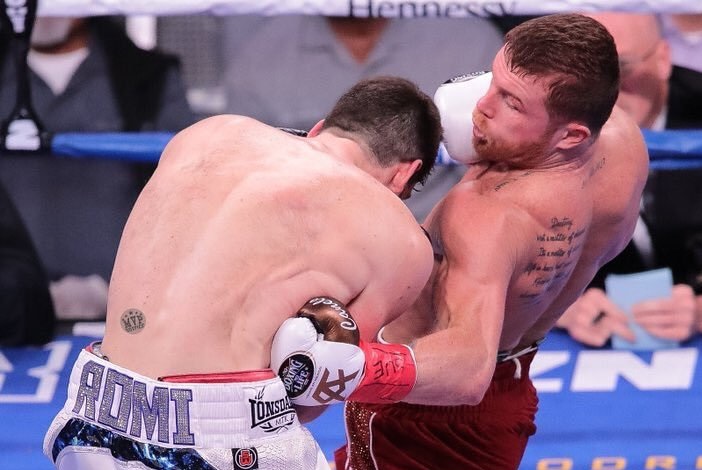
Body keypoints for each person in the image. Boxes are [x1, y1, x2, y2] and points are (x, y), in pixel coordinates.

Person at [271, 13, 648, 469]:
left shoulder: (487, 210)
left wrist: (352, 369)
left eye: (511, 101)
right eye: (493, 80)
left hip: (424, 409)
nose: (481, 106)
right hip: (510, 388)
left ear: (571, 135)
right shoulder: (625, 143)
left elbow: (469, 368)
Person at [42, 76, 443, 470]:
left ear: (321, 128)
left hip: (90, 415)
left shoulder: (206, 133)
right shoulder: (400, 238)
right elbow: (310, 391)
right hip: (222, 441)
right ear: (406, 174)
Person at [0, 15, 195, 320]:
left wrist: (147, 290)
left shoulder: (147, 77)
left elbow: (191, 193)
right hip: (10, 315)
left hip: (129, 314)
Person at [222, 14, 503, 222]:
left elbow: (495, 174)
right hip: (304, 242)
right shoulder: (259, 56)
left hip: (437, 241)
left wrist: (442, 240)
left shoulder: (470, 40)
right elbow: (248, 177)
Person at [557, 12, 702, 347]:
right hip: (590, 345)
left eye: (621, 67)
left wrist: (698, 310)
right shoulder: (541, 122)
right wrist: (552, 305)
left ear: (663, 58)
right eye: (580, 75)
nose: (600, 93)